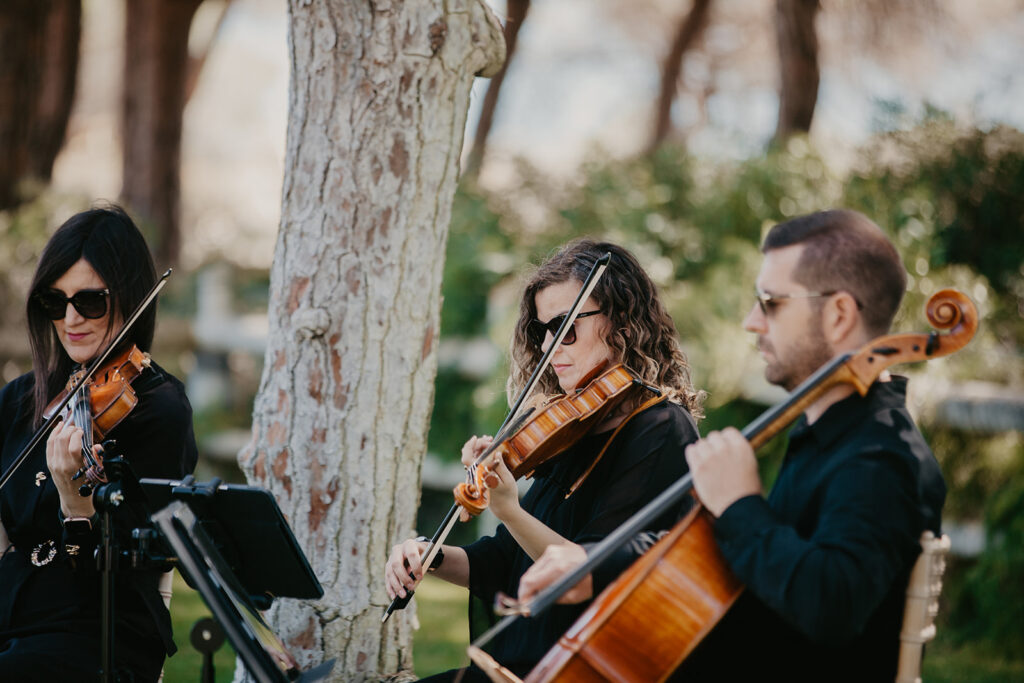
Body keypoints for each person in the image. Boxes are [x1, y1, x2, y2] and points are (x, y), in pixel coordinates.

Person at [517, 210, 947, 682]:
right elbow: (716, 554)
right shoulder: (831, 437)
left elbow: (830, 607)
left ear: (839, 313)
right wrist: (594, 564)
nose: (751, 322)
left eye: (771, 303)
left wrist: (740, 504)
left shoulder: (879, 457)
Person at [383, 240, 704, 681]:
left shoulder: (661, 430)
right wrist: (429, 556)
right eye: (543, 331)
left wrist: (510, 510)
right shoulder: (570, 427)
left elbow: (590, 574)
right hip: (520, 668)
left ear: (624, 323)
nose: (552, 346)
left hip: (575, 670)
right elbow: (505, 562)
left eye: (567, 326)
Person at [0, 206, 199, 681]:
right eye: (55, 301)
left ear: (129, 299)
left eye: (90, 301)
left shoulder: (158, 409)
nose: (70, 318)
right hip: (13, 617)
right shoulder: (24, 396)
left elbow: (132, 567)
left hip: (96, 635)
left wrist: (77, 505)